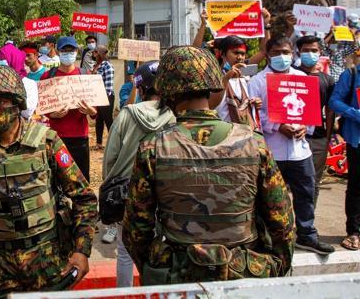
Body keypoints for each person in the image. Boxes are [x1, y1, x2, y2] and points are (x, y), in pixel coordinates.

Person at [123, 46, 295, 285]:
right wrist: (274, 265)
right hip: (244, 276)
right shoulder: (254, 143)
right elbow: (282, 221)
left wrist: (156, 267)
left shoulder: (152, 148)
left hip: (177, 276)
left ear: (168, 92)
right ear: (212, 86)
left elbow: (136, 229)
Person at [0, 65, 98, 298]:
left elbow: (84, 197)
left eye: (0, 102)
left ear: (16, 103)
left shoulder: (46, 142)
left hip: (46, 257)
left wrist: (82, 250)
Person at [248, 36, 335, 255]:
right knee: (269, 198)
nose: (282, 57)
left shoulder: (303, 78)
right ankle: (268, 239)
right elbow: (254, 114)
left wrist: (306, 127)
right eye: (276, 53)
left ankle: (306, 235)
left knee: (306, 192)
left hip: (300, 150)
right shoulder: (258, 81)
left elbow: (312, 110)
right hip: (272, 150)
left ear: (292, 54)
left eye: (285, 52)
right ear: (267, 55)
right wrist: (277, 126)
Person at [101, 60, 174, 286]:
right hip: (165, 190)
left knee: (124, 251)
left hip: (127, 190)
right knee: (162, 247)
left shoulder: (127, 114)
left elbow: (110, 156)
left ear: (141, 89)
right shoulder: (175, 115)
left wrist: (109, 182)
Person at [41, 36, 96, 182]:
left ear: (77, 51)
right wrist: (54, 115)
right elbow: (44, 106)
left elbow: (95, 108)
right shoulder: (48, 76)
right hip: (57, 137)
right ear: (58, 52)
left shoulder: (84, 75)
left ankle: (83, 204)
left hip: (80, 137)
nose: (68, 53)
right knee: (58, 178)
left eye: (71, 50)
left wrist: (91, 111)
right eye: (64, 50)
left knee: (82, 178)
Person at [295, 35, 335, 203]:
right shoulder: (291, 75)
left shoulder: (327, 80)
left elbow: (330, 110)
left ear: (320, 52)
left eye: (314, 50)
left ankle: (307, 224)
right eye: (306, 50)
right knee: (291, 183)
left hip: (317, 138)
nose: (310, 53)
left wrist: (327, 137)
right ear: (298, 51)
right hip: (292, 136)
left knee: (313, 183)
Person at [328, 47, 360, 251]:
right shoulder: (352, 74)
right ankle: (354, 232)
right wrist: (356, 114)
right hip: (357, 140)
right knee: (357, 187)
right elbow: (334, 101)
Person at [208, 36, 262, 127]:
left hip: (246, 135)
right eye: (236, 53)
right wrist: (227, 77)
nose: (240, 57)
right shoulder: (214, 77)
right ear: (222, 53)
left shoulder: (246, 78)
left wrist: (255, 103)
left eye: (243, 54)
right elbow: (211, 105)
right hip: (223, 134)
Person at [0, 42, 38, 119]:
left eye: (4, 59)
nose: (0, 62)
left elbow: (27, 112)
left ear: (15, 60)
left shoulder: (29, 84)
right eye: (0, 59)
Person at [92, 46, 115, 148]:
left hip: (106, 97)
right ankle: (99, 143)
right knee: (99, 120)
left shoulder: (108, 66)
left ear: (101, 53)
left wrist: (102, 98)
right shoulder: (96, 65)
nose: (94, 54)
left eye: (96, 52)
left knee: (108, 120)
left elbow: (108, 87)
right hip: (98, 97)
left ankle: (114, 144)